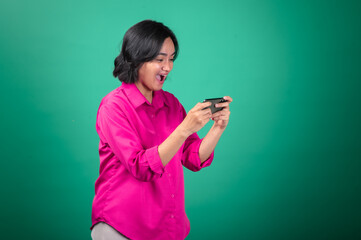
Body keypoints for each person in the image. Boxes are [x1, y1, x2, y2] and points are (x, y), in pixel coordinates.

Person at [90, 20, 232, 240]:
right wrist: (184, 129)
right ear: (137, 59)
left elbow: (193, 157)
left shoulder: (171, 103)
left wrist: (217, 128)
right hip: (121, 227)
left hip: (165, 227)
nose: (168, 67)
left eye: (171, 58)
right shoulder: (113, 107)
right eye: (160, 59)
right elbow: (140, 167)